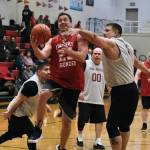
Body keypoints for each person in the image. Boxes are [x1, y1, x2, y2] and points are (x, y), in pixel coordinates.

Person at [69, 23, 150, 150]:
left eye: (107, 30)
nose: (104, 32)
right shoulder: (128, 46)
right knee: (124, 126)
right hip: (132, 90)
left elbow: (94, 37)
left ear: (116, 33)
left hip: (121, 90)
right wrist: (148, 72)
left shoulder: (112, 43)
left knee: (111, 126)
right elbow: (137, 62)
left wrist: (79, 30)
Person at [30, 12, 88, 150]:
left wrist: (70, 52)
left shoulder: (79, 37)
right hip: (56, 79)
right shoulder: (53, 40)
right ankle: (37, 129)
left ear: (71, 23)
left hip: (73, 84)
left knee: (67, 122)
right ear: (57, 24)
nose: (62, 22)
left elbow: (82, 57)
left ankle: (61, 147)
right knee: (43, 94)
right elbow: (42, 55)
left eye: (65, 20)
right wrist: (34, 46)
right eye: (60, 20)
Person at [0, 60, 52, 150]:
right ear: (39, 72)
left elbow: (37, 95)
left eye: (49, 70)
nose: (49, 72)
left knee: (12, 134)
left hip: (20, 113)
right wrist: (9, 113)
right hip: (17, 113)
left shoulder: (39, 81)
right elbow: (19, 99)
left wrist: (46, 105)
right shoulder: (32, 84)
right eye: (46, 69)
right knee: (32, 133)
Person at [77, 48, 106, 149]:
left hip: (99, 99)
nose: (97, 55)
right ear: (92, 54)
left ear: (102, 55)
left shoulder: (105, 66)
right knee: (82, 120)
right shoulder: (85, 63)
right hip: (85, 98)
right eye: (95, 53)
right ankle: (79, 136)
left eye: (99, 54)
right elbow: (77, 77)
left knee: (99, 120)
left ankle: (98, 140)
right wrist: (78, 92)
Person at [135, 52, 150, 132]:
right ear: (148, 57)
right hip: (146, 91)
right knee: (145, 108)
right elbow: (137, 75)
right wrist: (135, 85)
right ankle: (144, 124)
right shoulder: (143, 64)